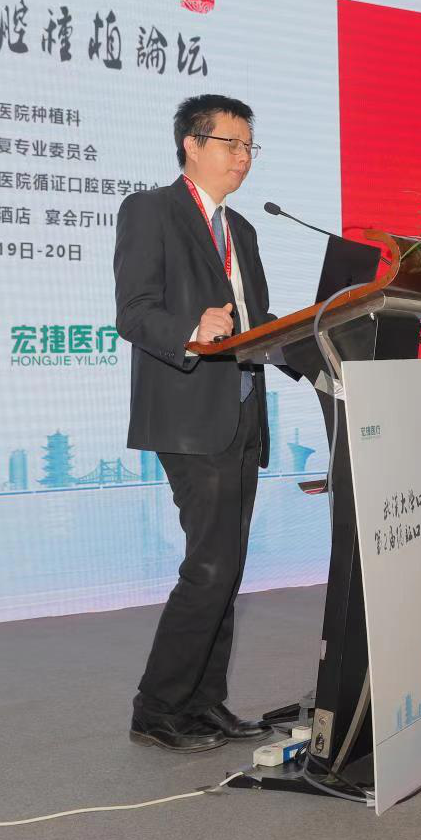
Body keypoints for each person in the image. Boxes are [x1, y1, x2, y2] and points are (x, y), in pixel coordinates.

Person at [114, 94, 277, 753]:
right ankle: (157, 707)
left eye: (249, 147)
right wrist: (191, 328)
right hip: (188, 415)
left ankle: (204, 703)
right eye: (231, 144)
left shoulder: (246, 231)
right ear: (191, 144)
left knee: (228, 565)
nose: (243, 158)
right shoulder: (151, 211)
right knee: (210, 565)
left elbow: (258, 325)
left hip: (243, 412)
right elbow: (134, 312)